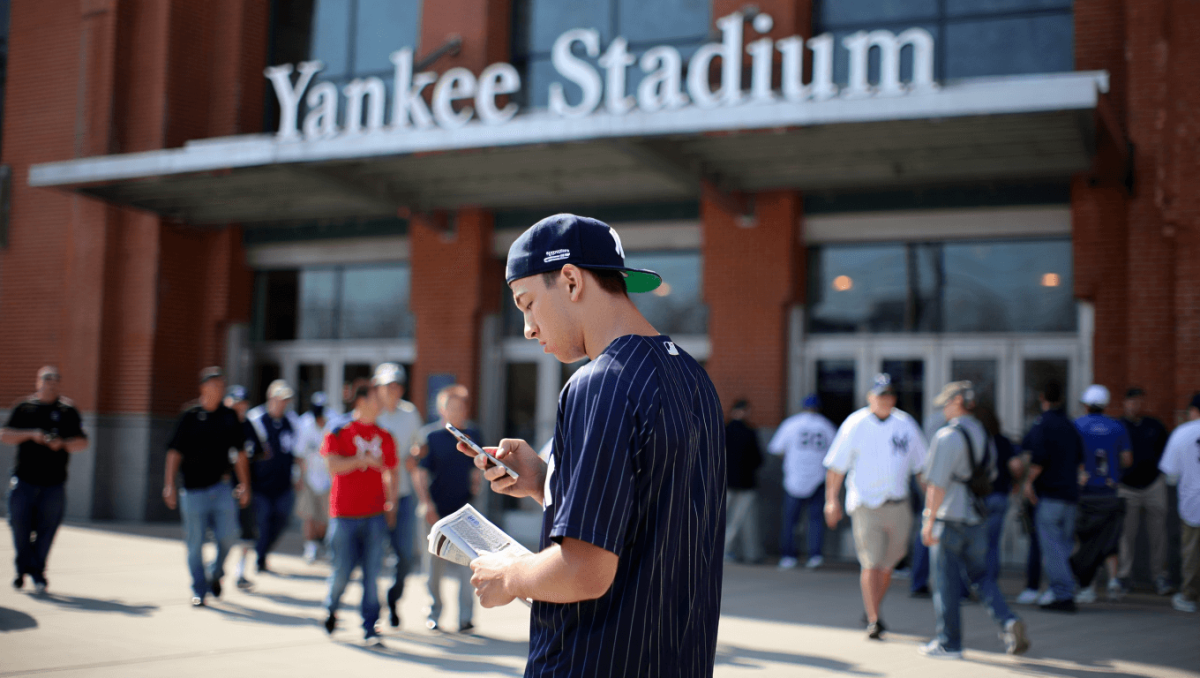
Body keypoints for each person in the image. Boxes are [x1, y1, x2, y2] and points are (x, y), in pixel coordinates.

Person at [462, 214, 726, 677]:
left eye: (527, 304)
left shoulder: (599, 384)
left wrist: (507, 574)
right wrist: (546, 483)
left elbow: (585, 571)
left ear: (569, 280)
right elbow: (650, 516)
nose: (527, 327)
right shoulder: (694, 378)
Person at [918, 382, 1029, 659]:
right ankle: (1008, 620)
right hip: (976, 515)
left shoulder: (947, 437)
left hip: (950, 517)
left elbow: (936, 485)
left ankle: (949, 643)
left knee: (945, 583)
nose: (943, 409)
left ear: (958, 402)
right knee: (981, 577)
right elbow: (989, 476)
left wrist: (928, 521)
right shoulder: (983, 433)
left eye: (946, 403)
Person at [824, 373, 927, 640]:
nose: (885, 400)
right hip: (866, 503)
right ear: (870, 397)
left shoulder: (906, 424)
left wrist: (931, 505)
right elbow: (837, 466)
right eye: (880, 395)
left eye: (890, 395)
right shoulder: (856, 423)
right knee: (870, 562)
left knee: (887, 565)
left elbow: (921, 468)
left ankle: (873, 607)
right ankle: (874, 619)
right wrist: (831, 500)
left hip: (898, 503)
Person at [162, 367, 252, 607]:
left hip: (222, 488)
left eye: (222, 386)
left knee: (229, 536)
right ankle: (199, 589)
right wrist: (169, 484)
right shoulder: (189, 415)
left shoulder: (229, 416)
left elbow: (240, 453)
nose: (219, 391)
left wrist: (245, 485)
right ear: (203, 388)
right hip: (192, 490)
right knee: (195, 543)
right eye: (214, 386)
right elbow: (174, 452)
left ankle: (215, 571)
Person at [321, 384, 399, 645]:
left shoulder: (385, 435)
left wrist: (392, 504)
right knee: (342, 570)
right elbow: (332, 466)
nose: (382, 402)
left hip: (375, 514)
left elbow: (391, 472)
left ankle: (370, 627)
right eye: (377, 397)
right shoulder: (338, 430)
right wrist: (361, 460)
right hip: (343, 515)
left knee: (372, 573)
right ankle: (331, 607)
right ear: (362, 400)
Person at [3, 366, 89, 593]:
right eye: (46, 378)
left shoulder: (68, 410)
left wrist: (62, 444)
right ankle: (22, 568)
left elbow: (83, 442)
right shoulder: (24, 407)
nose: (50, 383)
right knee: (19, 525)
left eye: (55, 379)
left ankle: (38, 572)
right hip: (24, 480)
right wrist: (32, 434)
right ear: (37, 381)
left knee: (47, 530)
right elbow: (5, 435)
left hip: (54, 484)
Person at [414, 384, 482, 632]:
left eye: (462, 406)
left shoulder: (473, 435)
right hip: (434, 512)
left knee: (469, 571)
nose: (458, 411)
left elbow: (477, 468)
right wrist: (426, 505)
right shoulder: (430, 436)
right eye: (452, 407)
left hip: (464, 514)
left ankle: (465, 618)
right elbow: (420, 474)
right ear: (442, 410)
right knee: (433, 570)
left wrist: (477, 482)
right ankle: (434, 614)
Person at [1021, 380, 1085, 612]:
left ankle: (1063, 594)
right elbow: (1080, 461)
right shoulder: (1070, 426)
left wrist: (1028, 483)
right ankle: (1063, 590)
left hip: (1050, 496)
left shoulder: (1043, 424)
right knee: (1065, 546)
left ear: (1042, 398)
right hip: (1070, 495)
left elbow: (1037, 459)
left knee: (1052, 548)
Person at [371, 363, 424, 628]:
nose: (392, 391)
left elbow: (419, 446)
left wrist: (415, 455)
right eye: (387, 386)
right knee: (372, 557)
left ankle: (393, 599)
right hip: (372, 498)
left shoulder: (409, 413)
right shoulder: (371, 414)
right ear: (377, 388)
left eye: (396, 386)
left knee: (404, 556)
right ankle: (372, 613)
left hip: (403, 495)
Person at [1071, 384, 1131, 603]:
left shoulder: (1077, 425)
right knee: (1110, 537)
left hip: (1085, 491)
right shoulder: (1117, 427)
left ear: (1086, 405)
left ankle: (1087, 586)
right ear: (1105, 405)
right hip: (1110, 490)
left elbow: (1071, 456)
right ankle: (1114, 581)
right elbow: (1127, 459)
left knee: (1085, 539)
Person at [769, 394, 836, 570]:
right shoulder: (826, 425)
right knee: (815, 519)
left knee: (790, 520)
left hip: (794, 477)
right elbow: (836, 454)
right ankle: (815, 556)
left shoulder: (791, 424)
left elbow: (776, 449)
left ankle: (788, 556)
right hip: (818, 477)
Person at [1117, 386, 1173, 596]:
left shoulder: (1154, 425)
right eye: (1131, 402)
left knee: (1159, 534)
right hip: (1126, 487)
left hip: (1153, 485)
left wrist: (1161, 473)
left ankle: (1160, 576)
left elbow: (1167, 451)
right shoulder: (1119, 425)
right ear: (1125, 403)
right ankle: (1124, 576)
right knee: (1126, 535)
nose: (1135, 406)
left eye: (1139, 402)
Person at [246, 380, 300, 574]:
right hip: (260, 485)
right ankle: (260, 558)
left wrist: (299, 476)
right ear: (271, 399)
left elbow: (297, 451)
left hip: (283, 484)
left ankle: (262, 552)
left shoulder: (291, 421)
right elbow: (246, 451)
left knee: (281, 519)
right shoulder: (256, 419)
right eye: (280, 400)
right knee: (263, 520)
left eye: (286, 400)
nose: (283, 404)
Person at [1159, 393, 1200, 613]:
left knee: (1191, 552)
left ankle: (1189, 595)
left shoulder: (1181, 433)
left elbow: (1170, 472)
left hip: (1192, 502)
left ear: (1193, 410)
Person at [974, 406, 1022, 587]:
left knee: (974, 544)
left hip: (979, 498)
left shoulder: (976, 440)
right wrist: (1015, 483)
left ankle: (974, 583)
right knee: (993, 545)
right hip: (1000, 496)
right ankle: (989, 584)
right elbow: (1016, 466)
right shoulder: (1003, 441)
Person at [223, 385, 263, 590]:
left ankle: (240, 573)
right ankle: (217, 568)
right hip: (221, 489)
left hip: (246, 487)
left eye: (244, 404)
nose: (241, 408)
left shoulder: (248, 425)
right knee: (224, 533)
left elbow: (259, 452)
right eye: (236, 404)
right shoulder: (219, 423)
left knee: (247, 532)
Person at [724, 399, 764, 564]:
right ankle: (747, 553)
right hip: (746, 483)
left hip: (724, 482)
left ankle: (724, 551)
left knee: (723, 519)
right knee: (743, 520)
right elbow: (758, 459)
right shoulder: (749, 432)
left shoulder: (722, 429)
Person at [295, 391, 331, 564]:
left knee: (325, 516)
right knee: (309, 514)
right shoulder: (305, 423)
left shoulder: (333, 422)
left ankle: (321, 543)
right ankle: (310, 547)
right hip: (310, 476)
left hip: (329, 477)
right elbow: (300, 455)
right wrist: (300, 477)